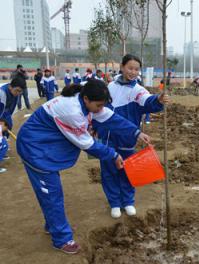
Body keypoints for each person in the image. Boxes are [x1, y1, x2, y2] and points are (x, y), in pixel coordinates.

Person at [16, 79, 147, 254]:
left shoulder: (87, 103)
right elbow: (87, 144)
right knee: (52, 193)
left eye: (103, 105)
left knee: (51, 192)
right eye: (98, 105)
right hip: (36, 148)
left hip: (46, 145)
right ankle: (61, 239)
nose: (100, 109)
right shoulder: (73, 111)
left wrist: (136, 132)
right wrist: (114, 155)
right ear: (86, 99)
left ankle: (53, 224)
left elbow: (112, 119)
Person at [98, 54, 168, 219]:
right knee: (108, 171)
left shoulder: (138, 90)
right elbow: (99, 110)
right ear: (122, 67)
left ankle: (128, 201)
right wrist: (95, 127)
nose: (133, 72)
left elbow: (148, 101)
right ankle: (114, 203)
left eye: (136, 69)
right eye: (130, 68)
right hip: (107, 138)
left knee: (127, 170)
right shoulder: (110, 87)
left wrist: (158, 99)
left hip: (127, 139)